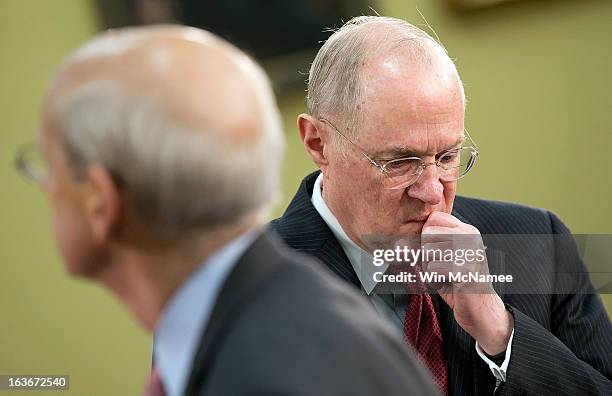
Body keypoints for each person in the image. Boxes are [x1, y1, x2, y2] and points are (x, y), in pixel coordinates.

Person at [17, 25, 440, 396]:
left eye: (48, 166)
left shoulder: (265, 373)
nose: (46, 186)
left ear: (99, 201)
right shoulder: (294, 318)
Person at [270, 16, 612, 395]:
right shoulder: (244, 282)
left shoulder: (540, 246)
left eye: (448, 157)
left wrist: (500, 332)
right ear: (318, 143)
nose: (432, 193)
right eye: (400, 162)